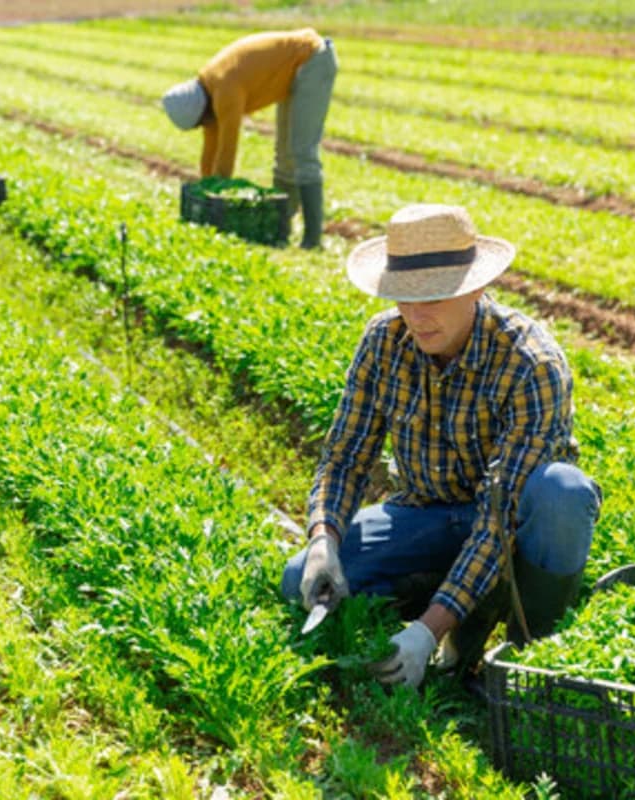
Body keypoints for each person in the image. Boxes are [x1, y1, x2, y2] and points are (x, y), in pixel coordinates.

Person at [281, 203, 602, 688]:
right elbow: (345, 458)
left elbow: (497, 519)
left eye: (432, 297)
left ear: (475, 287)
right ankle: (465, 599)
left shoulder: (530, 363)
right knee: (298, 578)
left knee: (564, 493)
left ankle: (525, 646)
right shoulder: (384, 341)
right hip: (424, 515)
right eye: (403, 298)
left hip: (511, 528)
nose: (416, 315)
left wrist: (428, 634)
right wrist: (324, 536)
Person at [161, 28, 337, 250]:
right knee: (284, 154)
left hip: (313, 60)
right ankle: (282, 225)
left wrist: (218, 195)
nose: (203, 128)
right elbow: (210, 148)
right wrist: (206, 184)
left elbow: (227, 151)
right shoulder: (207, 89)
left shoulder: (225, 90)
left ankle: (313, 239)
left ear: (201, 112)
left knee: (301, 151)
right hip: (293, 69)